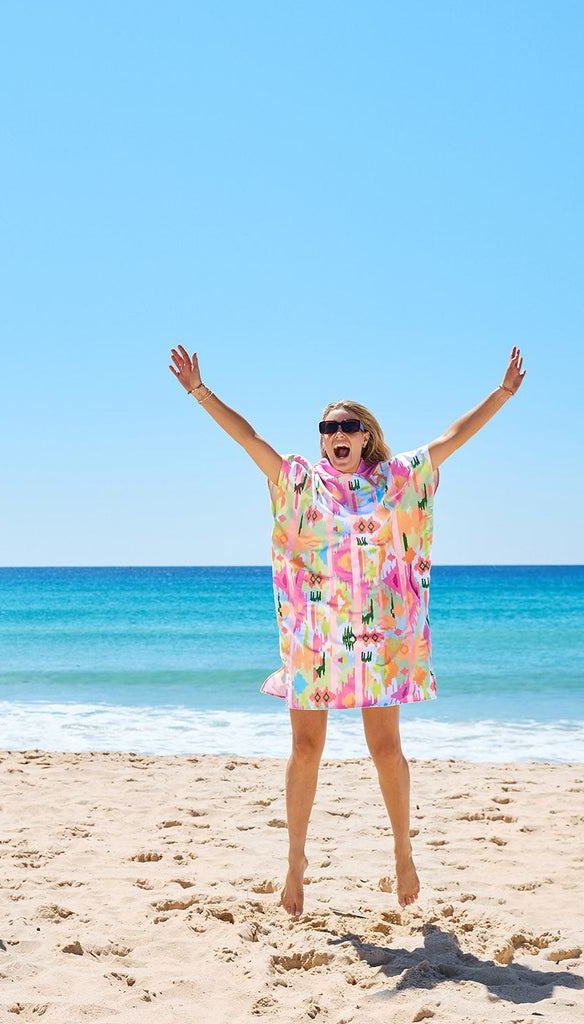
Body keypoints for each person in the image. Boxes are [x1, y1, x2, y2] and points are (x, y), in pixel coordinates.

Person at [169, 345, 525, 916]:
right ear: (321, 439)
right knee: (305, 749)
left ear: (364, 436)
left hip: (378, 645)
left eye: (348, 427)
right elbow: (247, 438)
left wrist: (502, 394)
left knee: (387, 750)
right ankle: (295, 861)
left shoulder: (395, 479)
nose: (338, 434)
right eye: (328, 427)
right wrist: (199, 390)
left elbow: (453, 438)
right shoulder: (298, 481)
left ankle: (403, 852)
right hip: (316, 641)